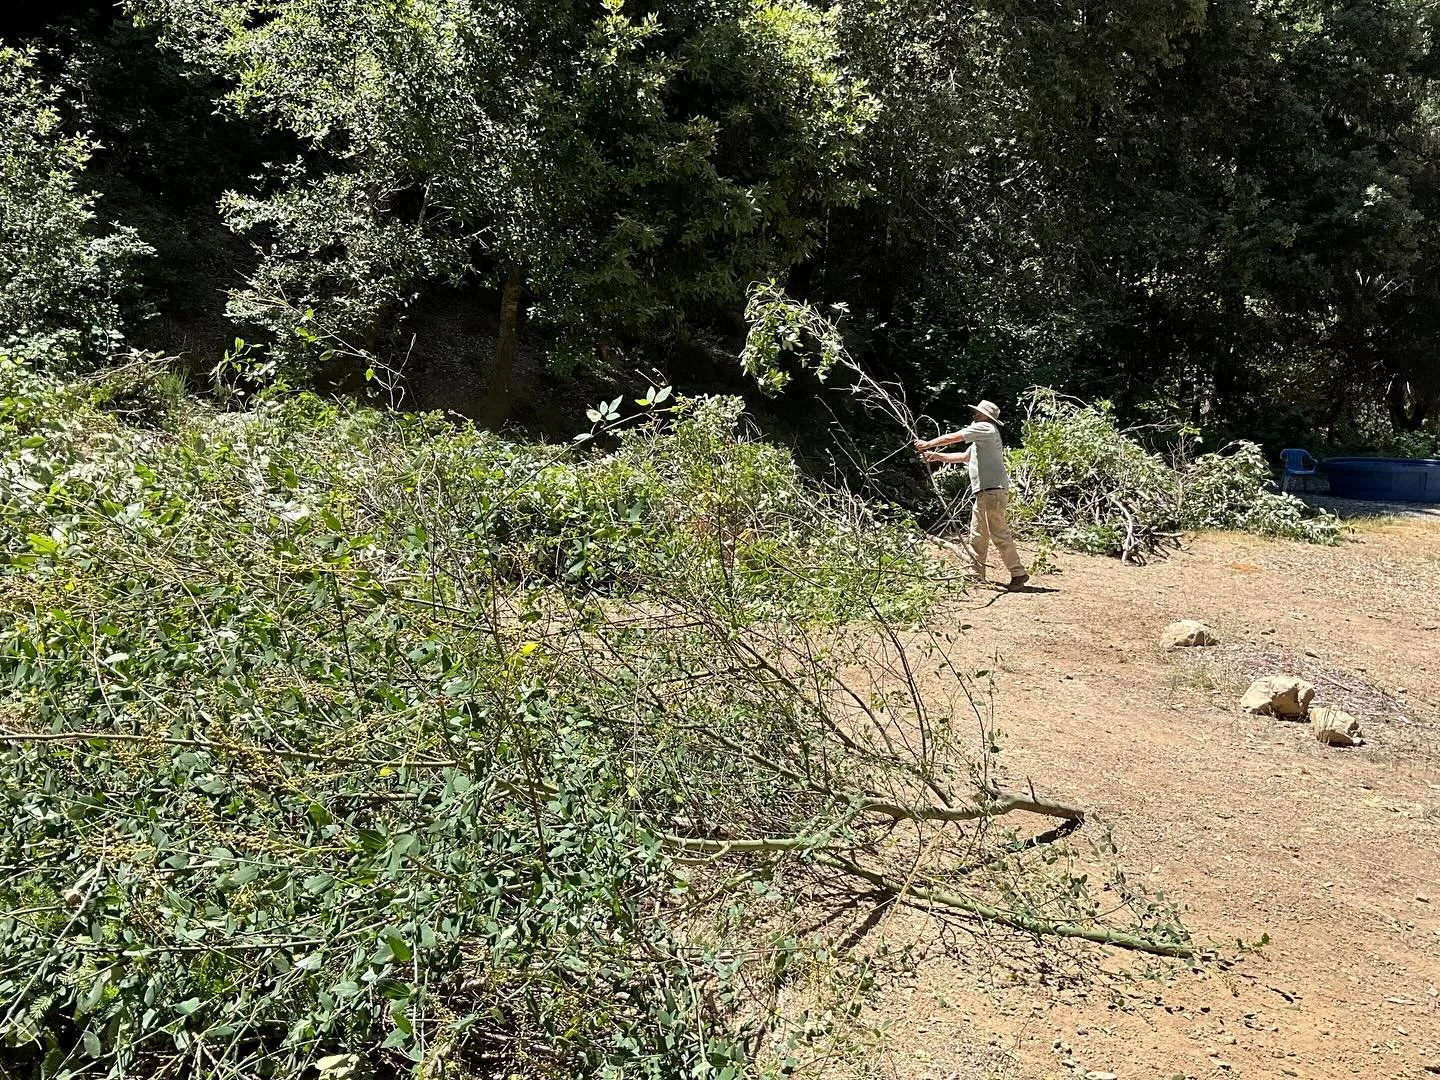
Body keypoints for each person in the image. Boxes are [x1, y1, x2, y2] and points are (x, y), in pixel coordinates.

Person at [914, 399, 1030, 590]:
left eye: (977, 412)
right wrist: (935, 456)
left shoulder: (984, 427)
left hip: (992, 491)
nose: (974, 415)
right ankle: (976, 574)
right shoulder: (981, 437)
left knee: (998, 533)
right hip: (987, 492)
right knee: (977, 535)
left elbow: (954, 437)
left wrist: (928, 444)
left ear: (985, 416)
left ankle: (1018, 573)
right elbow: (964, 457)